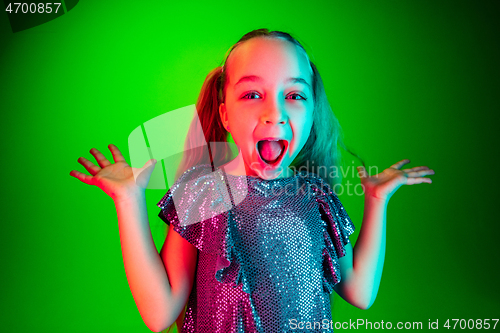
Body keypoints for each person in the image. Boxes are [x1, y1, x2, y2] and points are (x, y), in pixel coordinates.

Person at [70, 29, 434, 332]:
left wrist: (376, 201)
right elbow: (159, 314)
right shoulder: (203, 193)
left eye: (294, 95)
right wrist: (128, 201)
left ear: (310, 113)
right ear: (225, 115)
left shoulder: (316, 196)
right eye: (252, 94)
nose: (274, 113)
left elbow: (360, 292)